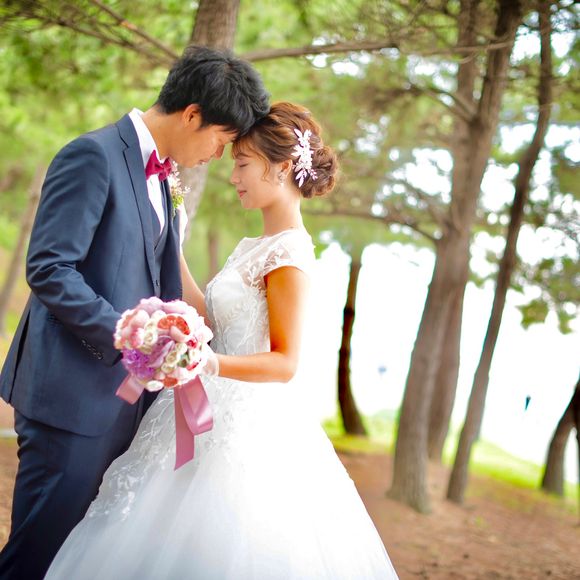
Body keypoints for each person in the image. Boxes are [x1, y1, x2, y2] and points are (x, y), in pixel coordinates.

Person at [44, 102, 398, 579]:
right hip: (200, 404)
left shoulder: (288, 253)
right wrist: (173, 243)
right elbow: (210, 314)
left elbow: (284, 363)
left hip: (243, 423)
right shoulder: (254, 247)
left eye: (243, 163)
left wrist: (205, 364)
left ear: (282, 167)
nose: (233, 177)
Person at [0, 46, 269, 580]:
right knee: (37, 557)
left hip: (126, 405)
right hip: (70, 400)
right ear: (192, 115)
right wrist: (131, 333)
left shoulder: (166, 181)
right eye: (220, 139)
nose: (219, 155)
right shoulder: (92, 156)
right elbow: (50, 268)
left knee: (77, 561)